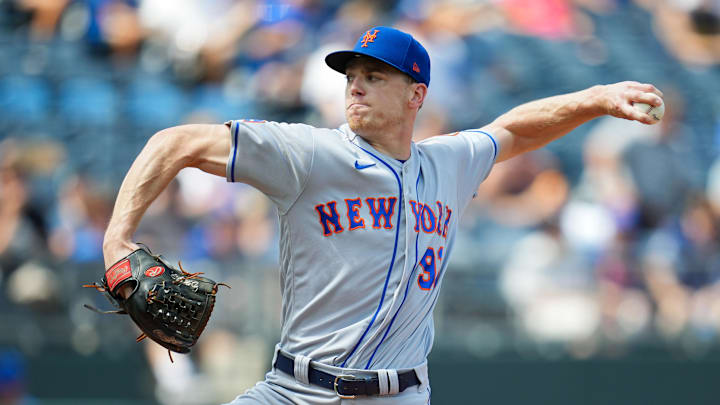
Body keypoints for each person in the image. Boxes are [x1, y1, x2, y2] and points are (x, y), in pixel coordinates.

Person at [101, 26, 664, 404]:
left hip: (400, 395)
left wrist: (596, 99)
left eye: (375, 77)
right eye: (351, 77)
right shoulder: (308, 153)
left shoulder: (449, 163)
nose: (356, 88)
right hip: (295, 390)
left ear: (416, 94)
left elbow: (514, 129)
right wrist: (117, 238)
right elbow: (174, 143)